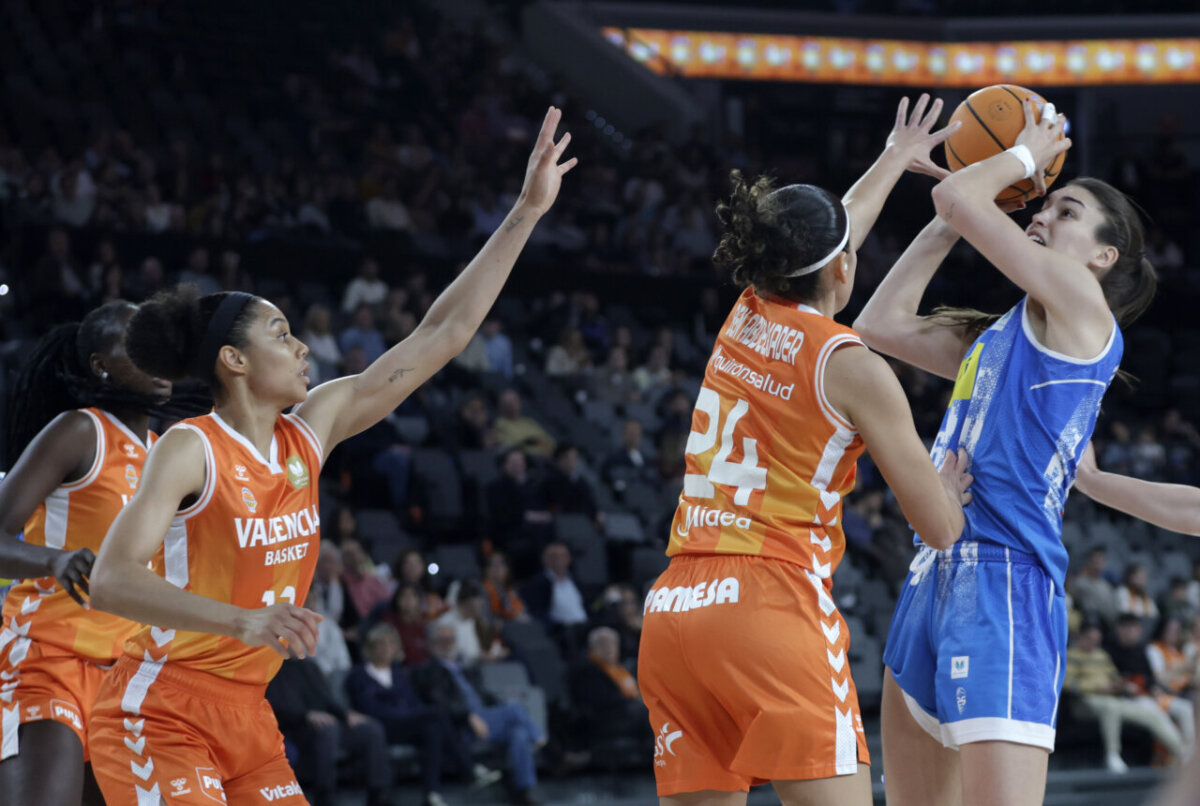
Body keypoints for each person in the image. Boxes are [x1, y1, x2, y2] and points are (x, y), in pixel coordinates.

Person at [83, 106, 575, 805]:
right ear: (234, 361)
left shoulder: (312, 430)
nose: (302, 346)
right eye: (281, 334)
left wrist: (525, 212)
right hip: (158, 709)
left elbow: (442, 333)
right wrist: (244, 620)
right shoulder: (191, 448)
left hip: (249, 711)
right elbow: (109, 581)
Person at [637, 94, 970, 806]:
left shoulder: (744, 312)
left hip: (676, 608)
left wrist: (890, 161)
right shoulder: (852, 364)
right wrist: (951, 485)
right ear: (844, 270)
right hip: (770, 601)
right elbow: (939, 528)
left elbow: (830, 239)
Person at [852, 98, 1156, 806]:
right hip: (933, 572)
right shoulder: (996, 335)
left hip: (1005, 581)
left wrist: (1018, 158)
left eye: (1068, 211)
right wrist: (946, 217)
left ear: (1103, 257)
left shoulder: (1086, 308)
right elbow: (878, 324)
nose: (1044, 212)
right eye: (1046, 205)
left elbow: (958, 194)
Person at [0, 302, 174, 806]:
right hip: (46, 656)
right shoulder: (79, 432)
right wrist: (52, 561)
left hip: (126, 675)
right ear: (101, 365)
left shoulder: (166, 454)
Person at [345, 623, 501, 806]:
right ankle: (468, 768)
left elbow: (413, 702)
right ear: (370, 647)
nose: (386, 648)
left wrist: (413, 713)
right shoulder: (358, 674)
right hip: (381, 725)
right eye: (380, 644)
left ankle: (431, 794)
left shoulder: (399, 673)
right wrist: (407, 712)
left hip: (408, 723)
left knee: (433, 730)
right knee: (437, 714)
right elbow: (369, 708)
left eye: (390, 643)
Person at [413, 621, 546, 806]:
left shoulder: (465, 669)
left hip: (487, 718)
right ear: (432, 643)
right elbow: (440, 703)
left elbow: (485, 695)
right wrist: (468, 716)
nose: (447, 643)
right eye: (442, 640)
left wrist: (498, 706)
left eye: (451, 639)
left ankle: (523, 793)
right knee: (515, 710)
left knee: (519, 733)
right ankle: (539, 736)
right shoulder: (429, 671)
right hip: (464, 726)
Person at [265, 654, 392, 806]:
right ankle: (325, 795)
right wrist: (305, 715)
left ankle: (378, 794)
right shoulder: (270, 667)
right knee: (329, 730)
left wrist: (346, 714)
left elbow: (327, 699)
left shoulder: (310, 666)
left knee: (371, 729)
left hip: (327, 723)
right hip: (295, 728)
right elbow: (273, 706)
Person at [1063, 619, 1183, 773]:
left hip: (1111, 697)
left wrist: (1122, 684)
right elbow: (1067, 684)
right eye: (1090, 639)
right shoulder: (1071, 655)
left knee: (1151, 712)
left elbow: (1114, 675)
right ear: (1080, 637)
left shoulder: (1101, 655)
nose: (1093, 644)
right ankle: (1112, 755)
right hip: (1084, 702)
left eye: (1097, 641)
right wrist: (1098, 688)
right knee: (1111, 707)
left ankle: (1181, 751)